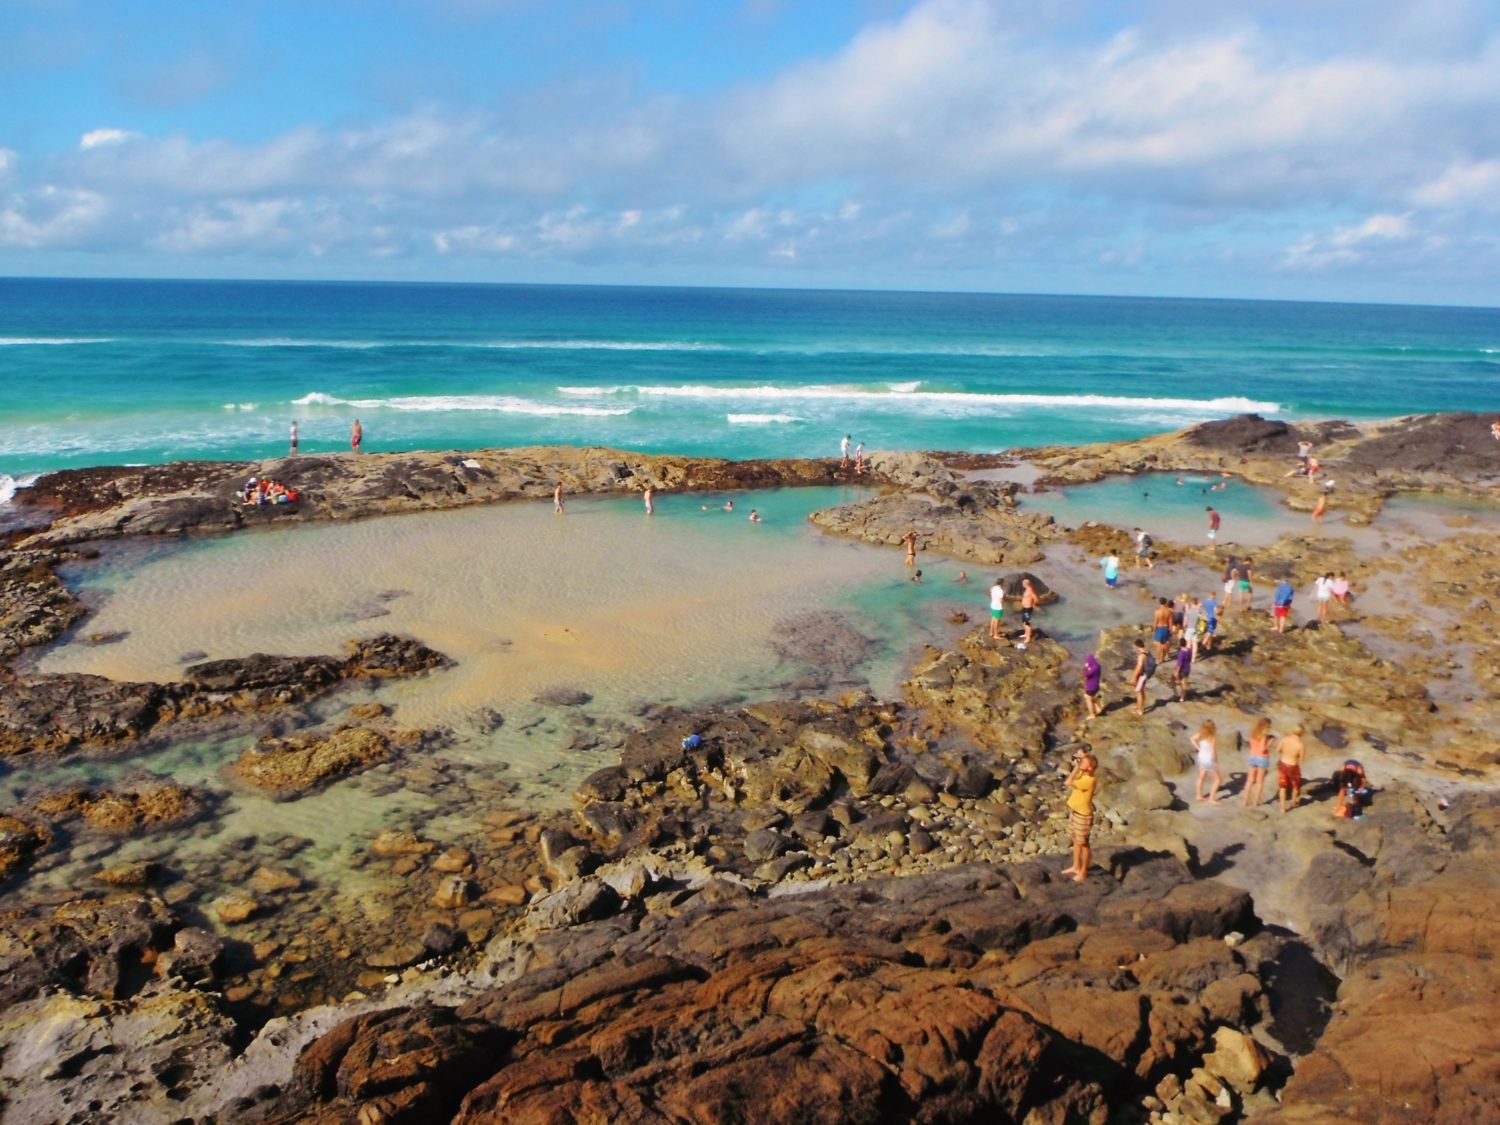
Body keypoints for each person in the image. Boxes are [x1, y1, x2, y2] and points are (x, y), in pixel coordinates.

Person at [1061, 749, 1097, 883]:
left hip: (1083, 815)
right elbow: (1079, 762)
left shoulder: (1089, 780)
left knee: (1083, 844)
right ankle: (1076, 866)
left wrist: (1076, 767)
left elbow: (1068, 782)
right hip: (1075, 812)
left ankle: (1083, 871)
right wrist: (1081, 757)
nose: (1081, 764)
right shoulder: (1084, 773)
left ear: (1090, 767)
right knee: (1076, 840)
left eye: (1084, 763)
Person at [1244, 716, 1276, 808]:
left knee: (1249, 780)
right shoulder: (1263, 736)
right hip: (1262, 758)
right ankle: (1255, 802)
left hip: (1252, 757)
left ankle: (1245, 801)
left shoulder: (1253, 733)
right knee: (1259, 782)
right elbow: (1263, 749)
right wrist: (1269, 742)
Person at [1277, 723, 1307, 813]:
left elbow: (1278, 749)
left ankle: (1282, 807)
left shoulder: (1285, 739)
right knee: (1295, 785)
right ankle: (1294, 802)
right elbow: (1301, 758)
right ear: (1302, 734)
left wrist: (1285, 752)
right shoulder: (1300, 745)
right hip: (1293, 765)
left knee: (1283, 786)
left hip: (1283, 763)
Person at [1193, 719, 1221, 804]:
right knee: (1217, 780)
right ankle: (1211, 798)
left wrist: (1198, 748)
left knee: (1201, 776)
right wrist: (1215, 761)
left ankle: (1198, 795)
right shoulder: (1212, 737)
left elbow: (1192, 739)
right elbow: (1213, 752)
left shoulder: (1200, 735)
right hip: (1208, 760)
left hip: (1201, 758)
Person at [1131, 639, 1153, 717]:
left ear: (1137, 646)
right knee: (1142, 691)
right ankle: (1140, 707)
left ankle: (1140, 710)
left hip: (1141, 676)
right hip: (1146, 674)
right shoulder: (1147, 652)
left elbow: (1139, 667)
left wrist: (1133, 677)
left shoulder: (1141, 656)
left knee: (1138, 692)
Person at [1019, 578, 1040, 649]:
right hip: (1024, 608)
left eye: (1023, 584)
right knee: (1024, 621)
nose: (1022, 585)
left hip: (1028, 609)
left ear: (1025, 584)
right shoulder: (1027, 589)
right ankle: (1026, 633)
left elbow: (1036, 599)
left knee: (1027, 623)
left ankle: (1028, 637)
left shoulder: (1030, 590)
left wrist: (1034, 604)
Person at [1152, 598, 1174, 663]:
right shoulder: (1169, 611)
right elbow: (1171, 622)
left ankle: (1158, 659)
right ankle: (1163, 658)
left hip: (1159, 628)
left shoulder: (1157, 612)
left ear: (1159, 603)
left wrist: (1154, 630)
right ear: (1166, 603)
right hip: (1166, 628)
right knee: (1165, 644)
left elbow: (1155, 622)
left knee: (1158, 645)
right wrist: (1171, 630)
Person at [1082, 652, 1103, 718]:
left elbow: (1086, 675)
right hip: (1096, 686)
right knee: (1089, 697)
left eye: (1087, 661)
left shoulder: (1093, 668)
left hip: (1091, 687)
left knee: (1088, 699)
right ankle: (1097, 708)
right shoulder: (1098, 666)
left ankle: (1092, 714)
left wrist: (1086, 668)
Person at [988, 577, 1007, 642]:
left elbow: (990, 595)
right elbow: (1001, 600)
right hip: (998, 607)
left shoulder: (993, 588)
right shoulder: (1001, 591)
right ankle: (996, 635)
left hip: (993, 605)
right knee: (997, 621)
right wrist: (1004, 600)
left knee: (993, 618)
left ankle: (991, 632)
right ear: (1002, 583)